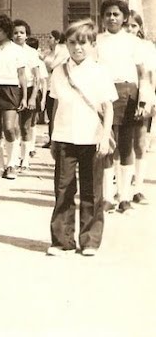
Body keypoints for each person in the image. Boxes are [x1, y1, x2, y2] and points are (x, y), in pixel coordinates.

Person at [47, 19, 116, 257]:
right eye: (72, 42)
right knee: (63, 189)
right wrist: (53, 138)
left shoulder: (99, 71)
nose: (77, 48)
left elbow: (108, 108)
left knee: (92, 191)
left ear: (92, 44)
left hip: (93, 138)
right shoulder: (58, 71)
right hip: (65, 137)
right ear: (65, 44)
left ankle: (90, 241)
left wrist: (105, 137)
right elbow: (55, 105)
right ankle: (62, 241)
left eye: (83, 43)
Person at [96, 0, 149, 213]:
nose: (112, 18)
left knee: (126, 146)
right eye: (108, 14)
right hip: (103, 94)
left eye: (116, 14)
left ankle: (125, 197)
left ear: (124, 18)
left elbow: (142, 73)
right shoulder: (96, 41)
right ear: (102, 18)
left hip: (128, 94)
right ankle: (108, 197)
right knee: (107, 146)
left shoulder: (134, 42)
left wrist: (143, 100)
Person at [0, 14, 27, 180]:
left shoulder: (17, 50)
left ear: (6, 31)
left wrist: (25, 97)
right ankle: (0, 166)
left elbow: (22, 75)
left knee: (9, 128)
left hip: (11, 90)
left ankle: (11, 164)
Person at [123, 13, 154, 205]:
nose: (130, 30)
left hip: (143, 96)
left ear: (140, 28)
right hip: (122, 97)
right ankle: (121, 189)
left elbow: (150, 75)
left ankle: (138, 188)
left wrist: (148, 100)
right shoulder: (116, 45)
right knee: (121, 146)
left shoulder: (146, 47)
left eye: (134, 26)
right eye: (127, 26)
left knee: (140, 143)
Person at [12, 19, 40, 173]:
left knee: (25, 126)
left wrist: (32, 97)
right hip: (13, 90)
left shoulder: (31, 52)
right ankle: (14, 158)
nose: (18, 35)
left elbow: (37, 77)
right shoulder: (8, 50)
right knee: (13, 127)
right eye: (15, 33)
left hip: (29, 90)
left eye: (21, 33)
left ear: (26, 35)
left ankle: (26, 160)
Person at [43, 30, 69, 147]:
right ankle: (51, 139)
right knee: (50, 113)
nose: (48, 40)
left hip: (58, 84)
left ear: (57, 40)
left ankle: (58, 140)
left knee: (58, 112)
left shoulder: (62, 51)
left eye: (50, 37)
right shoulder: (49, 52)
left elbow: (53, 65)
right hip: (48, 84)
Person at [26, 37, 48, 160]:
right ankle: (26, 145)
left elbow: (43, 81)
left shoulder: (39, 62)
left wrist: (43, 98)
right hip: (24, 90)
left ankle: (31, 147)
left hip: (35, 92)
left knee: (32, 121)